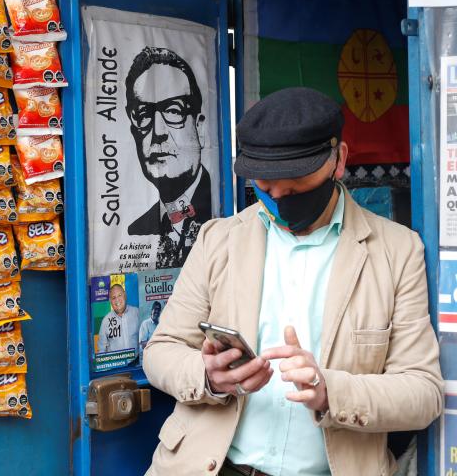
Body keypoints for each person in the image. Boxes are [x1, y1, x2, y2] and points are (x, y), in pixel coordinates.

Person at [143, 87, 443, 476]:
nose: (280, 200)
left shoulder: (397, 251)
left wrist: (330, 392)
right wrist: (208, 376)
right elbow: (161, 351)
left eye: (296, 185)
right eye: (267, 188)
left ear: (339, 160)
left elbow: (423, 392)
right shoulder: (218, 240)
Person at [124, 47, 212, 268]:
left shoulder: (222, 217)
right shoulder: (136, 231)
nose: (158, 131)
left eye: (173, 111)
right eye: (144, 114)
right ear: (134, 130)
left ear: (199, 128)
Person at [97, 283, 140, 354]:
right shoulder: (106, 321)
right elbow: (101, 349)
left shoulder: (137, 313)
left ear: (125, 295)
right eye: (113, 298)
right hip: (115, 363)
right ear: (110, 301)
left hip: (136, 362)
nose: (117, 300)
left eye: (120, 295)